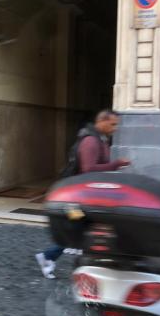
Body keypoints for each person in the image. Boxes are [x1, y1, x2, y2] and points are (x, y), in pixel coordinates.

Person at [35, 109, 131, 279]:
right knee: (78, 230)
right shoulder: (91, 141)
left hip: (85, 197)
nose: (115, 128)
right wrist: (115, 164)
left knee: (83, 231)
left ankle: (70, 262)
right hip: (76, 200)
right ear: (101, 121)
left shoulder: (100, 139)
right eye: (112, 124)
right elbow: (88, 169)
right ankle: (49, 257)